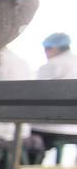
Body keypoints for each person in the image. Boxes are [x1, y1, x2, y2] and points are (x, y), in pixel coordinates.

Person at [33, 32, 77, 161]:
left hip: (52, 128)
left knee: (23, 137)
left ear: (53, 48)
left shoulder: (53, 64)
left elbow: (35, 93)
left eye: (46, 49)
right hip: (74, 127)